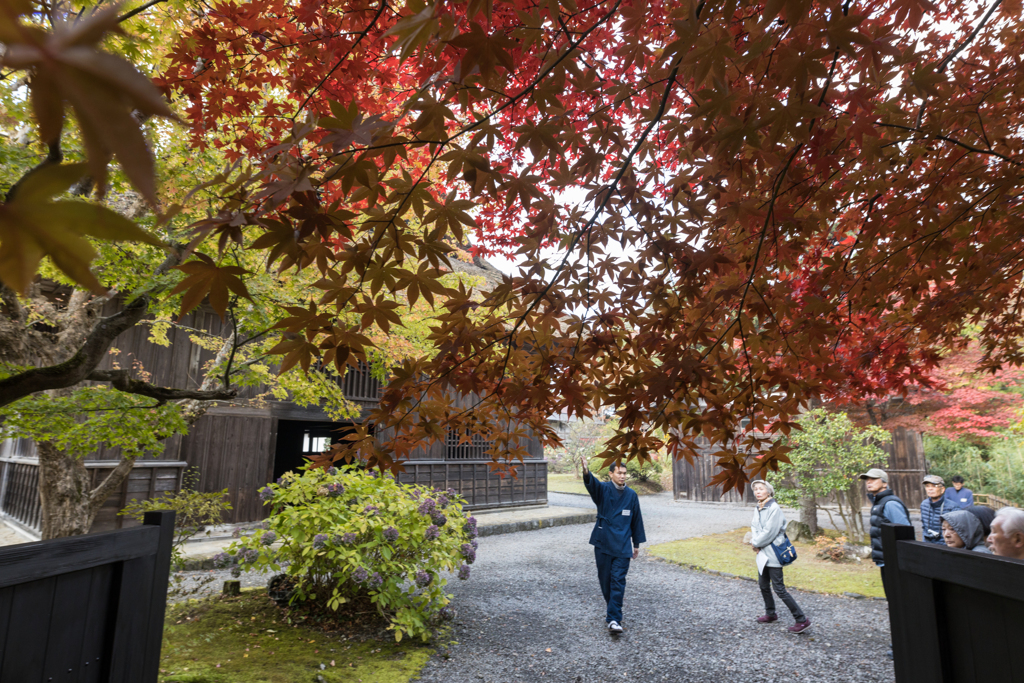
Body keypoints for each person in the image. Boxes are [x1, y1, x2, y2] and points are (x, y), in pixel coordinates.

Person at [580, 455, 646, 633]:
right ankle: (613, 609)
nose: (623, 476)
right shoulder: (603, 490)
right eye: (619, 473)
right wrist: (586, 472)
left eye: (625, 473)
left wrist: (636, 543)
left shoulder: (631, 496)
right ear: (611, 474)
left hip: (623, 545)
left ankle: (614, 619)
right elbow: (592, 485)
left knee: (618, 581)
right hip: (603, 541)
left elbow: (636, 520)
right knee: (605, 580)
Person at [860, 468, 911, 660]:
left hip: (894, 563)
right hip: (885, 562)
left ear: (884, 482)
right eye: (867, 480)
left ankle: (902, 644)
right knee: (894, 603)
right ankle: (899, 641)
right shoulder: (878, 502)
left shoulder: (890, 503)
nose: (869, 482)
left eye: (873, 479)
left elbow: (905, 531)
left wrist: (897, 560)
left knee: (899, 604)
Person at [749, 480, 810, 633]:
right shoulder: (758, 507)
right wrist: (755, 542)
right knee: (763, 585)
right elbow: (754, 526)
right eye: (755, 489)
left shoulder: (774, 508)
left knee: (779, 589)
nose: (758, 491)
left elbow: (770, 531)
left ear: (768, 491)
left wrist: (756, 543)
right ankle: (770, 614)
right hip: (762, 553)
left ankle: (802, 620)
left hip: (774, 554)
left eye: (761, 489)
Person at [920, 474, 952, 544]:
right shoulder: (924, 504)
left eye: (934, 486)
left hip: (945, 547)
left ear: (942, 489)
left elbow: (956, 533)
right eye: (927, 486)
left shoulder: (952, 507)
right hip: (927, 545)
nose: (930, 489)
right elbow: (924, 528)